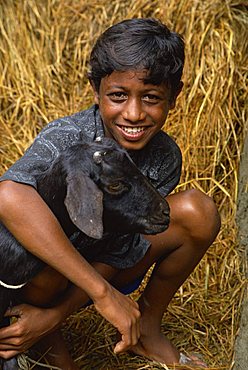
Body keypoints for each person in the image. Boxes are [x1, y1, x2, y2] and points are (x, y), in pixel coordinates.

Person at [0, 18, 220, 369]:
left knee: (199, 212)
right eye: (118, 96)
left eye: (151, 98)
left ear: (174, 96)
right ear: (96, 90)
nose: (133, 114)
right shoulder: (69, 137)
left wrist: (65, 312)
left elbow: (122, 249)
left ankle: (145, 327)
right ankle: (34, 333)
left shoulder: (164, 157)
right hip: (40, 277)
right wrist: (102, 296)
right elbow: (8, 195)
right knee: (48, 259)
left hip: (103, 263)